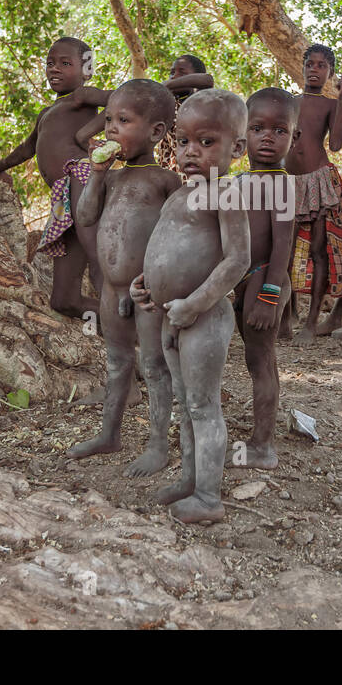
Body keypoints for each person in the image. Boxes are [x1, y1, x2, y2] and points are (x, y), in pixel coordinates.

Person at [131, 89, 250, 523]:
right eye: (183, 142)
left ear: (236, 148)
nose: (191, 152)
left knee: (203, 406)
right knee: (183, 402)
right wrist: (143, 286)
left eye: (206, 142)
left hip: (203, 317)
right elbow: (162, 250)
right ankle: (188, 477)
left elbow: (238, 260)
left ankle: (208, 497)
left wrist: (196, 303)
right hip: (168, 315)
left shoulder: (227, 193)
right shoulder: (177, 196)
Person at [65, 80, 182, 476]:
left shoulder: (165, 180)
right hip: (110, 290)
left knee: (153, 365)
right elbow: (84, 217)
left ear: (156, 132)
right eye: (109, 120)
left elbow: (177, 235)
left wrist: (158, 277)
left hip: (148, 290)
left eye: (124, 121)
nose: (111, 129)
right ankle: (109, 434)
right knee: (117, 362)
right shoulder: (111, 178)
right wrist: (97, 174)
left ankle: (157, 445)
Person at [0, 37, 111, 318]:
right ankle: (132, 329)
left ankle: (130, 304)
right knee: (63, 300)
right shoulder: (46, 113)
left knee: (96, 255)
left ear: (87, 70)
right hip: (63, 197)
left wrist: (87, 134)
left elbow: (124, 100)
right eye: (50, 64)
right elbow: (27, 148)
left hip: (81, 176)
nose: (55, 69)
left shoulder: (83, 97)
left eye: (65, 63)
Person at [230, 88, 299, 470]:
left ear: (294, 136)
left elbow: (282, 246)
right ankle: (262, 435)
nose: (268, 137)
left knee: (260, 360)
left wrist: (270, 295)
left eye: (279, 130)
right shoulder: (240, 181)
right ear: (243, 133)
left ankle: (263, 445)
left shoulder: (282, 184)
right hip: (244, 278)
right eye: (258, 128)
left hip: (264, 279)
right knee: (258, 360)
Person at [287, 44, 342, 343]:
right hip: (288, 182)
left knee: (318, 250)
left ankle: (312, 321)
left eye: (321, 65)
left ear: (330, 73)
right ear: (302, 67)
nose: (314, 69)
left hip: (317, 183)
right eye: (310, 64)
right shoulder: (288, 102)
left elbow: (336, 144)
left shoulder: (328, 104)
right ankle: (287, 316)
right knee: (284, 252)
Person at [155, 54, 214, 170]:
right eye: (172, 73)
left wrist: (168, 84)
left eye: (182, 73)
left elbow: (207, 80)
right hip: (172, 176)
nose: (174, 76)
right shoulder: (168, 105)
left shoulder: (199, 102)